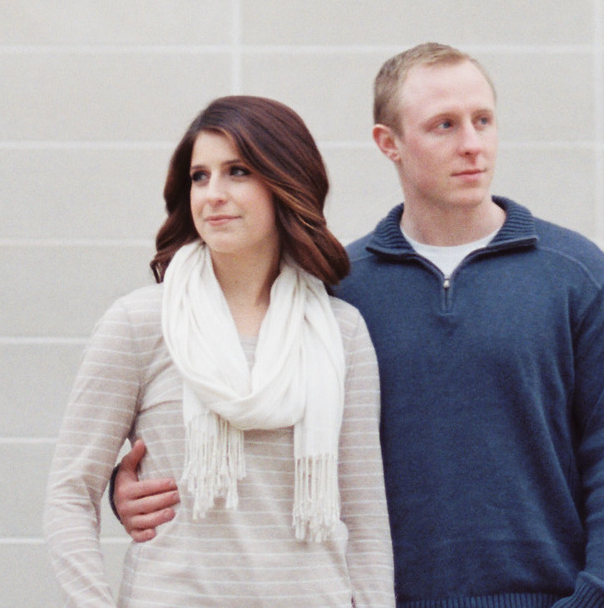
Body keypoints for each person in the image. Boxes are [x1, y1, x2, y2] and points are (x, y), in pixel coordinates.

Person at [115, 44, 604, 608]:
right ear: (388, 143)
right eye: (443, 125)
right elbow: (257, 430)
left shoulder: (579, 278)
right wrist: (132, 489)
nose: (472, 144)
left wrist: (601, 601)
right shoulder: (337, 292)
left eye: (483, 121)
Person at [46, 94, 393, 608]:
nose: (213, 194)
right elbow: (69, 494)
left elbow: (364, 519)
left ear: (284, 183)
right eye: (199, 176)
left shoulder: (341, 333)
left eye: (238, 172)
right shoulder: (140, 323)